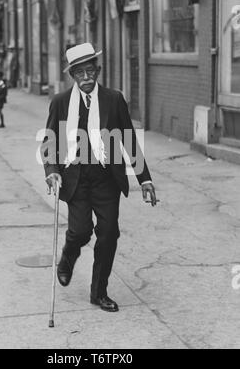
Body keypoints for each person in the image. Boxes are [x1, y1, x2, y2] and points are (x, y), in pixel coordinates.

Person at [41, 43, 157, 313]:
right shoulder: (60, 102)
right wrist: (52, 170)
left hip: (106, 178)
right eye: (80, 72)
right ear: (72, 75)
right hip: (75, 179)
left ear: (98, 71)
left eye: (90, 71)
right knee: (80, 231)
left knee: (108, 235)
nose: (86, 77)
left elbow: (128, 138)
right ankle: (68, 256)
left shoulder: (113, 99)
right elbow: (49, 142)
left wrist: (145, 180)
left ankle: (98, 292)